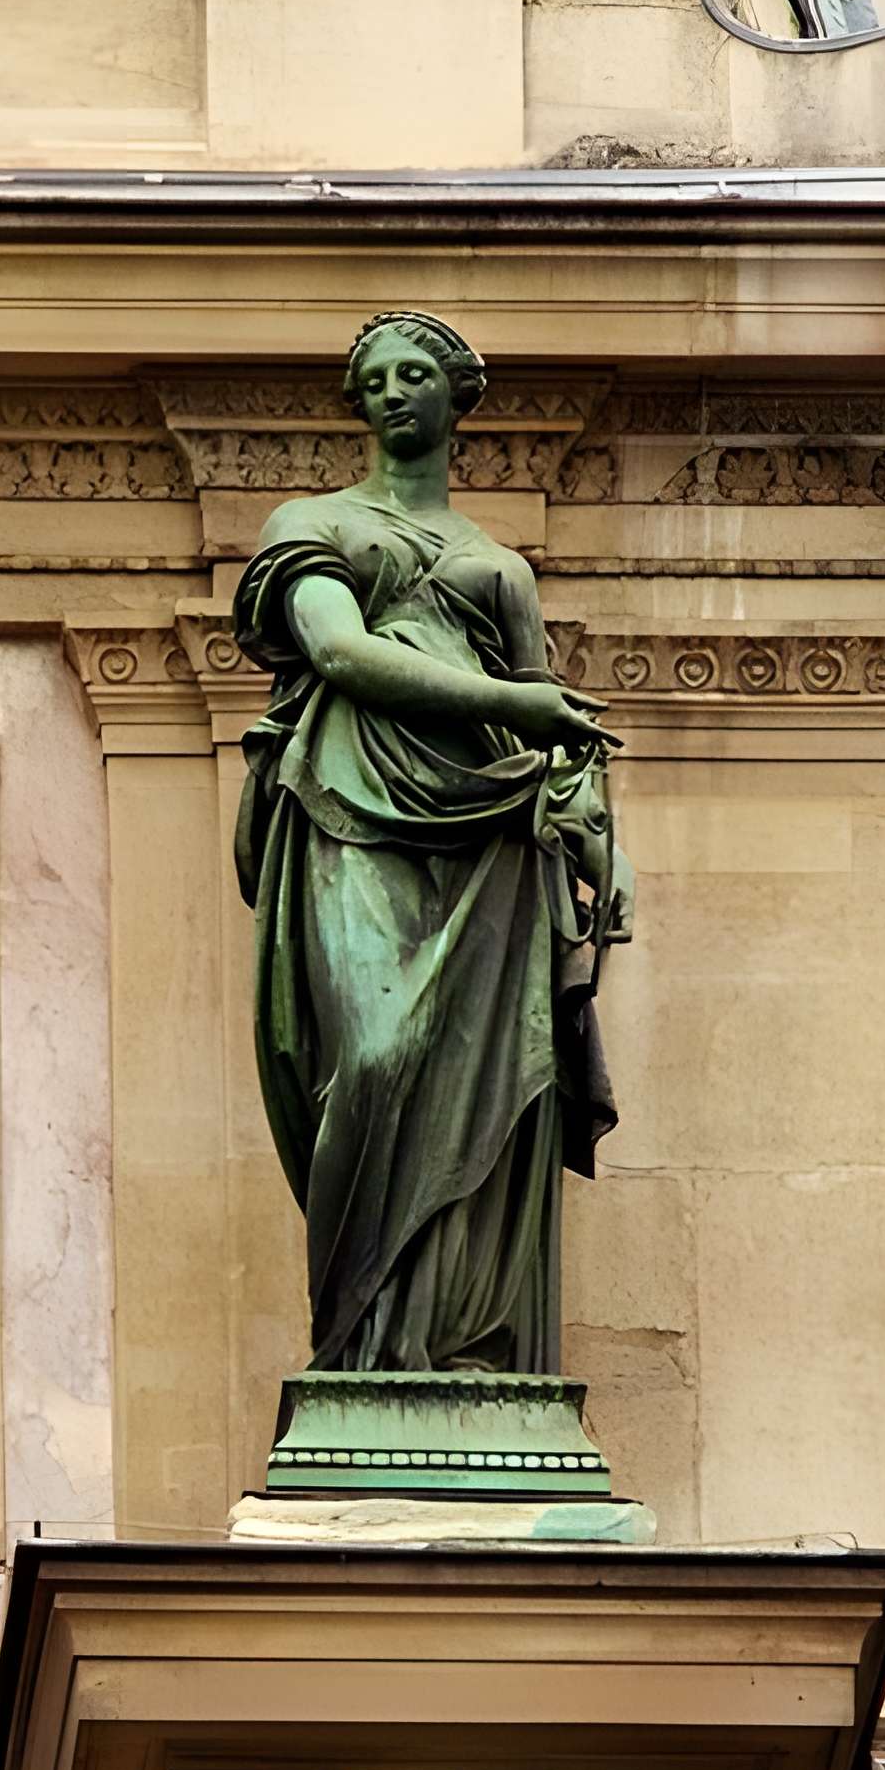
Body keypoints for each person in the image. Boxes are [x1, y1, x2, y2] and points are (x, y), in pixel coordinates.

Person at [233, 309, 631, 1376]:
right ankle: (361, 1342)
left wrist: (601, 846)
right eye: (375, 378)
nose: (393, 391)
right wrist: (521, 703)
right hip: (352, 795)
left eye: (417, 374)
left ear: (458, 401)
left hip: (492, 825)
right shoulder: (311, 524)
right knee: (372, 1055)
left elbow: (558, 737)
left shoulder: (499, 568)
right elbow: (341, 652)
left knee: (485, 1075)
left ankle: (451, 1344)